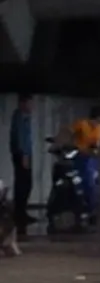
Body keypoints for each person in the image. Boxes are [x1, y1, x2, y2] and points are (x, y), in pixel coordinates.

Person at [72, 105, 100, 223]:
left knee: (92, 184)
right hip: (80, 155)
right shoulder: (82, 124)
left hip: (92, 157)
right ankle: (81, 207)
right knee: (80, 182)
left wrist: (95, 148)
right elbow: (70, 133)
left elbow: (98, 142)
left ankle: (91, 209)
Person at [9, 93, 36, 236]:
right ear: (22, 104)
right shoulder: (19, 117)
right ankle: (19, 214)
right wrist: (24, 155)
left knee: (26, 183)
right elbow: (20, 138)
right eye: (29, 103)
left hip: (25, 154)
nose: (32, 107)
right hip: (21, 154)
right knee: (23, 184)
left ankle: (21, 212)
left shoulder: (25, 117)